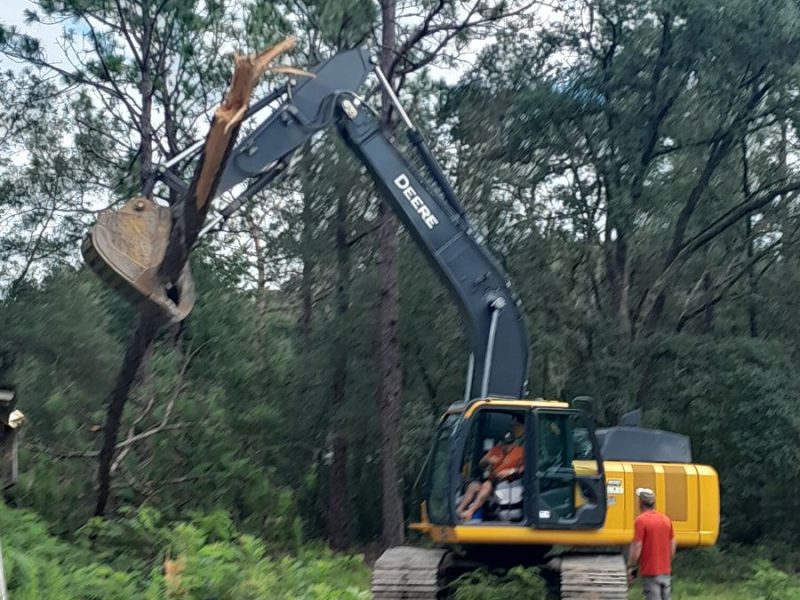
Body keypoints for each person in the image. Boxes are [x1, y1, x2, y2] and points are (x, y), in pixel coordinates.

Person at [456, 423, 524, 521]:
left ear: (513, 443)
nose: (505, 447)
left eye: (509, 444)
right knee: (473, 485)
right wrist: (488, 461)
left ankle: (470, 512)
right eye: (504, 444)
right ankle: (459, 510)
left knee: (487, 486)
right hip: (493, 479)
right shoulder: (496, 450)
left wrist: (511, 471)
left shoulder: (520, 452)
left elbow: (526, 468)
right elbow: (481, 464)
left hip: (509, 482)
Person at [627, 487, 676, 600]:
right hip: (665, 571)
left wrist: (631, 565)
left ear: (641, 502)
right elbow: (672, 543)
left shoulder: (640, 520)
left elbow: (637, 546)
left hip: (650, 571)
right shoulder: (666, 519)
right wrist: (667, 561)